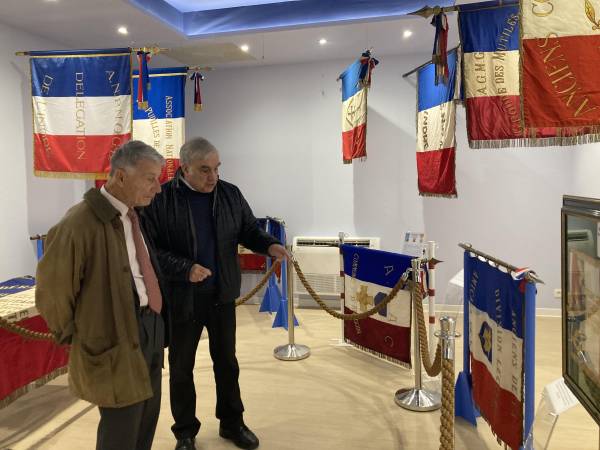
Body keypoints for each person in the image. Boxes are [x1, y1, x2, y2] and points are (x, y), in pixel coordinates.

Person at [142, 137, 288, 450]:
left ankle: (232, 424)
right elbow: (151, 250)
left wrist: (268, 245)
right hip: (182, 299)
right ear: (184, 168)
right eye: (205, 170)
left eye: (217, 168)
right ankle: (184, 432)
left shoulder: (230, 194)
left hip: (221, 296)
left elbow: (248, 229)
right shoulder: (161, 199)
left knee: (227, 362)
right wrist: (185, 268)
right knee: (181, 368)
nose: (213, 177)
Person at [35, 141, 167, 450]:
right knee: (121, 431)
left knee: (146, 419)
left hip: (150, 330)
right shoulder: (78, 223)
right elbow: (52, 293)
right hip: (113, 340)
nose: (157, 188)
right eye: (150, 178)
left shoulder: (133, 216)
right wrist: (85, 336)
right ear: (121, 177)